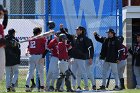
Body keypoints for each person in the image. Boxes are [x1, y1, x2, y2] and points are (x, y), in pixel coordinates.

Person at [70, 26, 92, 90]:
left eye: (78, 30)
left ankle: (86, 86)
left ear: (81, 31)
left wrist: (90, 57)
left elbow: (89, 48)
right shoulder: (74, 38)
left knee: (83, 72)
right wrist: (71, 57)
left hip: (81, 58)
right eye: (76, 30)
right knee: (73, 72)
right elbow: (72, 48)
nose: (76, 31)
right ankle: (73, 86)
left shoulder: (85, 38)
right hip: (74, 58)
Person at [25, 27, 46, 92]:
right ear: (39, 32)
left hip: (31, 56)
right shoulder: (41, 38)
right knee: (41, 72)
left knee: (30, 72)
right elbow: (45, 47)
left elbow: (28, 47)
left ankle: (27, 86)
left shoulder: (31, 38)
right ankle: (42, 87)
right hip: (39, 56)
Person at [0, 4, 8, 81]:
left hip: (1, 48)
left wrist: (6, 16)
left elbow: (4, 26)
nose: (2, 14)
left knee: (1, 69)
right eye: (2, 13)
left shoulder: (0, 25)